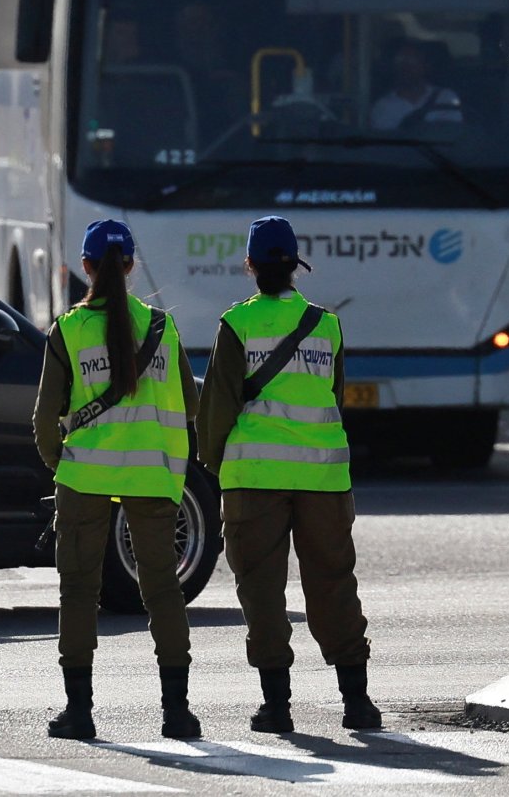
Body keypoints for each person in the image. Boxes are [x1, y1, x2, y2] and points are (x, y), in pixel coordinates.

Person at [197, 216, 382, 733]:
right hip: (323, 476)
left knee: (262, 589)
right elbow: (335, 396)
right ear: (296, 266)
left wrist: (215, 464)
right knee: (333, 583)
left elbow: (217, 407)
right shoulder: (327, 325)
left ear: (250, 265)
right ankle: (357, 702)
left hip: (253, 477)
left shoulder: (237, 324)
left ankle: (277, 706)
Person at [32, 219, 202, 741]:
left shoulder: (69, 329)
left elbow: (45, 418)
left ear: (85, 266)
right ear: (130, 266)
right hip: (154, 476)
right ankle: (177, 713)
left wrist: (60, 464)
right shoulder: (161, 327)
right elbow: (190, 405)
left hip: (83, 476)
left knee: (79, 591)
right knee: (161, 591)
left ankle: (79, 713)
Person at [369, 38, 462, 131]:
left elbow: (453, 134)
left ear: (426, 66)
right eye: (401, 61)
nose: (406, 66)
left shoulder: (447, 97)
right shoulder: (383, 107)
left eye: (412, 60)